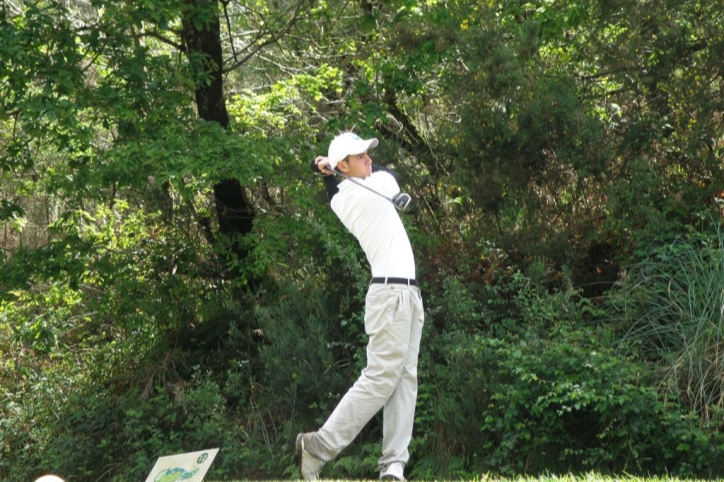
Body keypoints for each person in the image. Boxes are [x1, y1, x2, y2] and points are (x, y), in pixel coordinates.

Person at [296, 132, 425, 481]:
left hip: (406, 294)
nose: (369, 159)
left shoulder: (351, 186)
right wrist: (329, 171)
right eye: (360, 156)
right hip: (390, 295)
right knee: (381, 378)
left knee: (404, 380)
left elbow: (348, 182)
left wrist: (327, 169)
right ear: (344, 167)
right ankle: (318, 446)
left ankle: (393, 466)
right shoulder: (359, 192)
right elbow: (384, 174)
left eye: (368, 154)